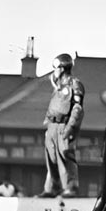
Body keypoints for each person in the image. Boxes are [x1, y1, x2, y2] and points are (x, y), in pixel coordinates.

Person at [38, 53, 84, 198]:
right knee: (51, 158)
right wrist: (48, 126)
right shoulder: (58, 87)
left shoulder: (74, 84)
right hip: (52, 125)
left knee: (65, 155)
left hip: (64, 125)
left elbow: (77, 108)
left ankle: (70, 187)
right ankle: (52, 188)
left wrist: (71, 127)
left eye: (56, 68)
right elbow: (53, 105)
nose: (54, 71)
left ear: (63, 68)